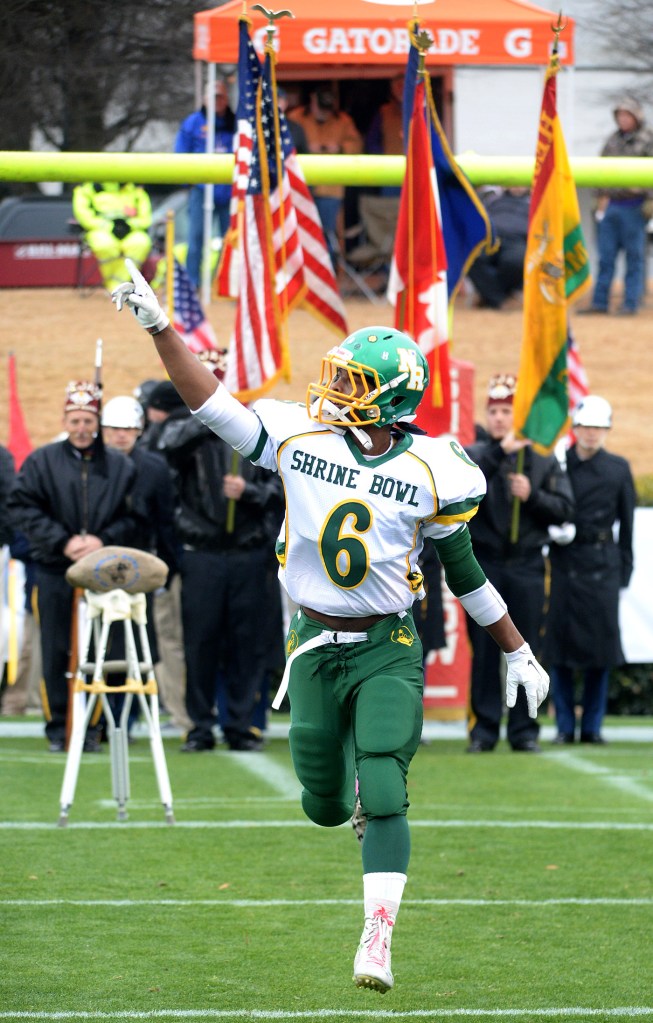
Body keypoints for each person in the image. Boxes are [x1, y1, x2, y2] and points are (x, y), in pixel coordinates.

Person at [111, 260, 550, 995]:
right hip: (313, 642)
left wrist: (517, 649)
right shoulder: (299, 437)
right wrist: (160, 329)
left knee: (383, 781)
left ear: (390, 399)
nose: (335, 390)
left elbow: (465, 570)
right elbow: (211, 404)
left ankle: (377, 936)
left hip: (387, 643)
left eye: (353, 382)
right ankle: (342, 798)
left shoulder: (435, 468)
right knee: (323, 802)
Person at [154, 350, 284, 754]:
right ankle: (199, 725)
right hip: (202, 554)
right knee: (200, 642)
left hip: (248, 554)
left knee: (246, 642)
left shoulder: (263, 430)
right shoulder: (184, 427)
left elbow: (282, 487)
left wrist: (250, 492)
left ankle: (241, 725)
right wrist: (212, 415)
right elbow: (165, 453)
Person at [7, 382, 138, 753]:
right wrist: (62, 541)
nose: (82, 428)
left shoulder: (120, 466)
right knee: (55, 648)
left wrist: (101, 540)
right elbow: (23, 508)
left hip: (101, 573)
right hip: (53, 570)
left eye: (88, 421)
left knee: (98, 650)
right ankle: (58, 726)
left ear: (97, 423)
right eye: (75, 420)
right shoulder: (41, 461)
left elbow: (134, 518)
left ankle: (92, 727)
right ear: (65, 421)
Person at [464, 374, 575, 754]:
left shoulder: (541, 459)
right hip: (485, 565)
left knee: (527, 647)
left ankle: (525, 730)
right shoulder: (475, 456)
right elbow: (460, 493)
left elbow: (565, 509)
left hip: (527, 566)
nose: (499, 418)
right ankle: (483, 730)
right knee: (483, 649)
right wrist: (500, 455)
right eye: (493, 411)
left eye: (506, 411)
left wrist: (534, 497)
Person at [545, 395, 635, 745]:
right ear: (576, 428)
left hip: (602, 566)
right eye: (586, 426)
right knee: (560, 649)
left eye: (599, 427)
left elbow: (626, 527)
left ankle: (593, 727)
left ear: (607, 430)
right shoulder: (558, 463)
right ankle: (565, 726)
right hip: (565, 563)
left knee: (601, 651)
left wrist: (624, 571)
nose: (592, 433)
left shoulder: (618, 468)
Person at [101, 395, 184, 733]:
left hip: (140, 564)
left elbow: (165, 521)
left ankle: (131, 714)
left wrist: (168, 567)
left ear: (139, 430)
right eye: (114, 428)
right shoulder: (93, 463)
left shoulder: (154, 467)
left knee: (140, 641)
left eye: (128, 428)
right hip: (99, 563)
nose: (121, 434)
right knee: (102, 642)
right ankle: (102, 716)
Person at [580, 97, 653, 316]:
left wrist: (650, 201)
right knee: (605, 257)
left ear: (636, 117)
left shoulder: (648, 139)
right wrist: (598, 198)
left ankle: (631, 303)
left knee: (634, 258)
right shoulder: (612, 140)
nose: (623, 119)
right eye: (620, 115)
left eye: (627, 115)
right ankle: (599, 303)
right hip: (611, 205)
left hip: (636, 207)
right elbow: (601, 170)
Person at [288, 87, 362, 267]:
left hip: (330, 187)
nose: (324, 113)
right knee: (300, 231)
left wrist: (340, 148)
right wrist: (306, 147)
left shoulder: (343, 121)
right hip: (301, 186)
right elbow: (285, 142)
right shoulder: (296, 118)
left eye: (328, 109)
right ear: (312, 100)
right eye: (321, 107)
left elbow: (357, 144)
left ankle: (328, 270)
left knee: (327, 233)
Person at [175, 79, 236, 289]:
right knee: (196, 238)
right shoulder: (193, 123)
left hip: (229, 190)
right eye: (213, 97)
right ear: (204, 99)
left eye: (220, 97)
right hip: (201, 189)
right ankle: (193, 284)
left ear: (226, 99)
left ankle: (225, 284)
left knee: (231, 240)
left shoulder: (236, 123)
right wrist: (189, 182)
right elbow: (181, 153)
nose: (217, 101)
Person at [72, 181, 152, 293]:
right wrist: (109, 226)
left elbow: (145, 219)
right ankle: (115, 286)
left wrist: (129, 225)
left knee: (141, 242)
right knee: (105, 245)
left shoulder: (136, 190)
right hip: (100, 230)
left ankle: (118, 285)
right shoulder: (86, 190)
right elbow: (84, 216)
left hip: (131, 230)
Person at [467, 188, 530, 309]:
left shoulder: (533, 200)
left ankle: (490, 297)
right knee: (473, 257)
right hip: (491, 238)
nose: (516, 185)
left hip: (518, 240)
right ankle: (501, 300)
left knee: (515, 261)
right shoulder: (491, 197)